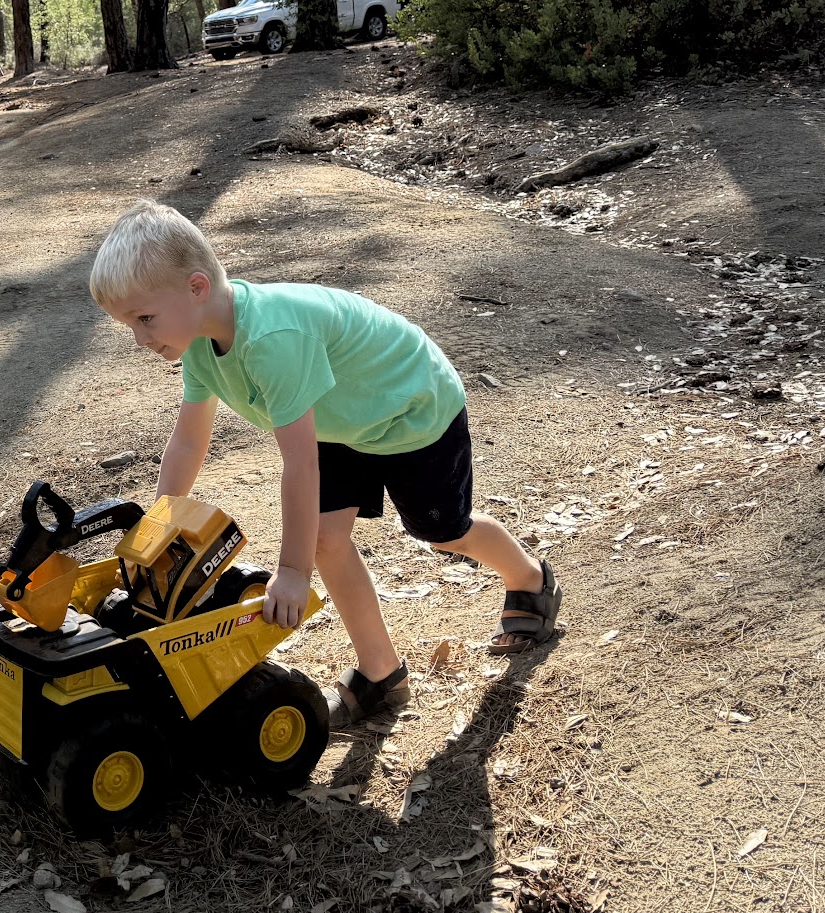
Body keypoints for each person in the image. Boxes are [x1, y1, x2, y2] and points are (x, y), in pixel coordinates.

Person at [88, 200, 561, 728]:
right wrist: (159, 530)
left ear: (197, 287)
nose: (140, 338)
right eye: (130, 324)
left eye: (145, 318)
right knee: (326, 539)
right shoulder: (198, 342)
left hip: (409, 407)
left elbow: (299, 464)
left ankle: (530, 579)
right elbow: (187, 442)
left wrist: (292, 573)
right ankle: (382, 672)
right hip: (338, 418)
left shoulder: (272, 341)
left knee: (442, 532)